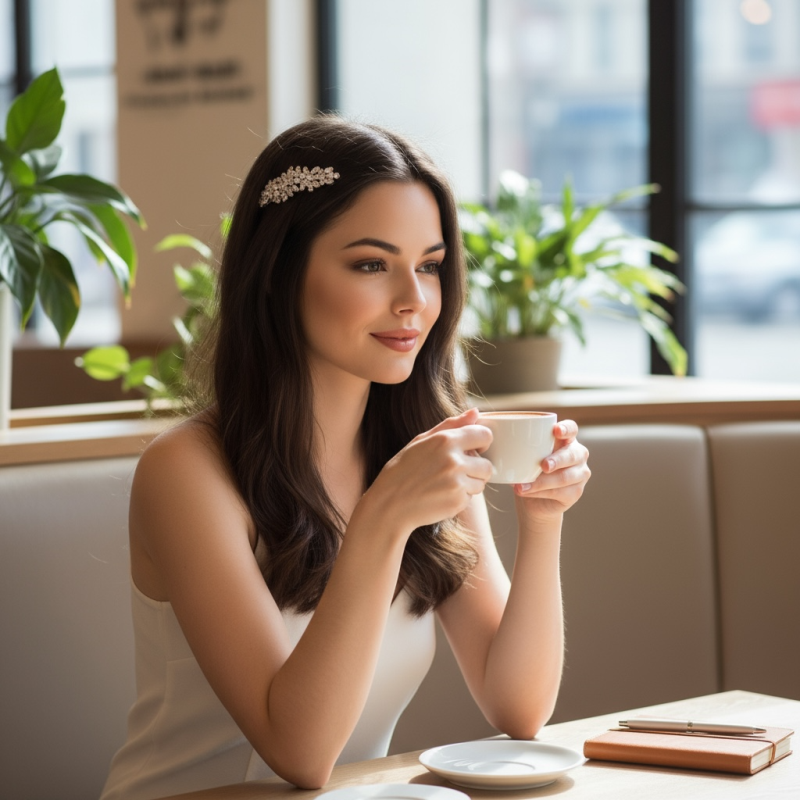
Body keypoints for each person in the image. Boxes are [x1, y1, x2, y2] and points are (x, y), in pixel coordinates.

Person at [100, 116, 591, 800]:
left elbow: (518, 709)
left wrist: (542, 522)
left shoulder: (423, 450)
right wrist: (383, 519)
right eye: (370, 264)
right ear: (280, 273)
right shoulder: (187, 472)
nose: (413, 301)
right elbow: (297, 751)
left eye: (429, 266)